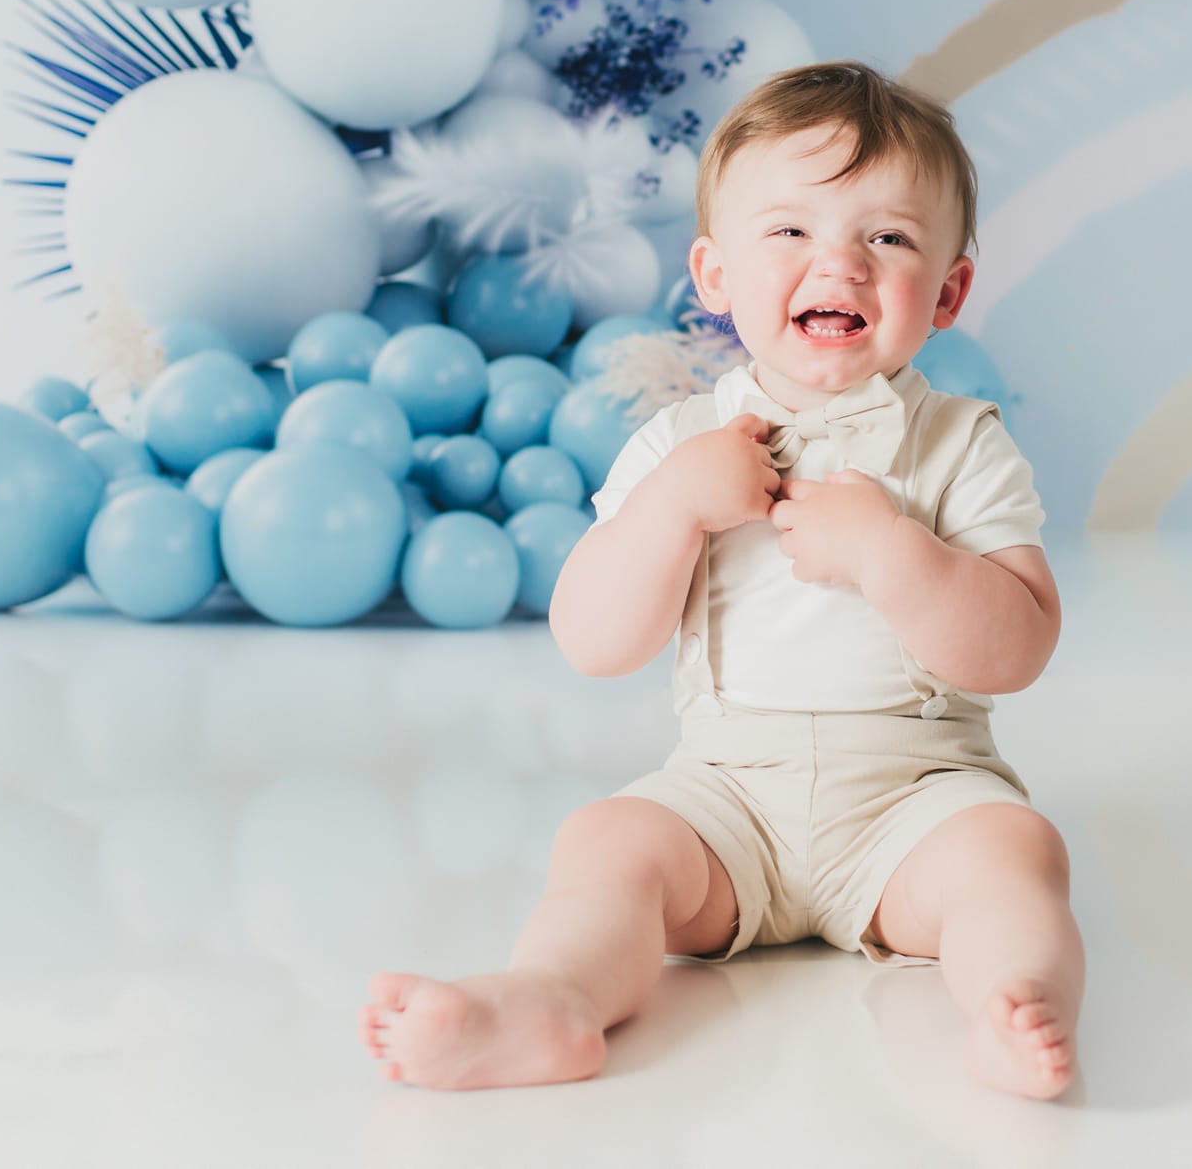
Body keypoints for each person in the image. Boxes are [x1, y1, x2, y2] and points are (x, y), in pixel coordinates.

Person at [360, 61, 1082, 1100]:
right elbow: (593, 640)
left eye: (886, 236)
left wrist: (892, 551)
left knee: (1012, 853)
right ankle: (550, 997)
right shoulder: (679, 443)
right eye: (788, 231)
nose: (838, 261)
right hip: (723, 796)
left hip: (914, 797)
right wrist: (670, 509)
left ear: (949, 292)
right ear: (713, 275)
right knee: (607, 841)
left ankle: (1014, 1000)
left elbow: (1016, 647)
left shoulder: (961, 444)